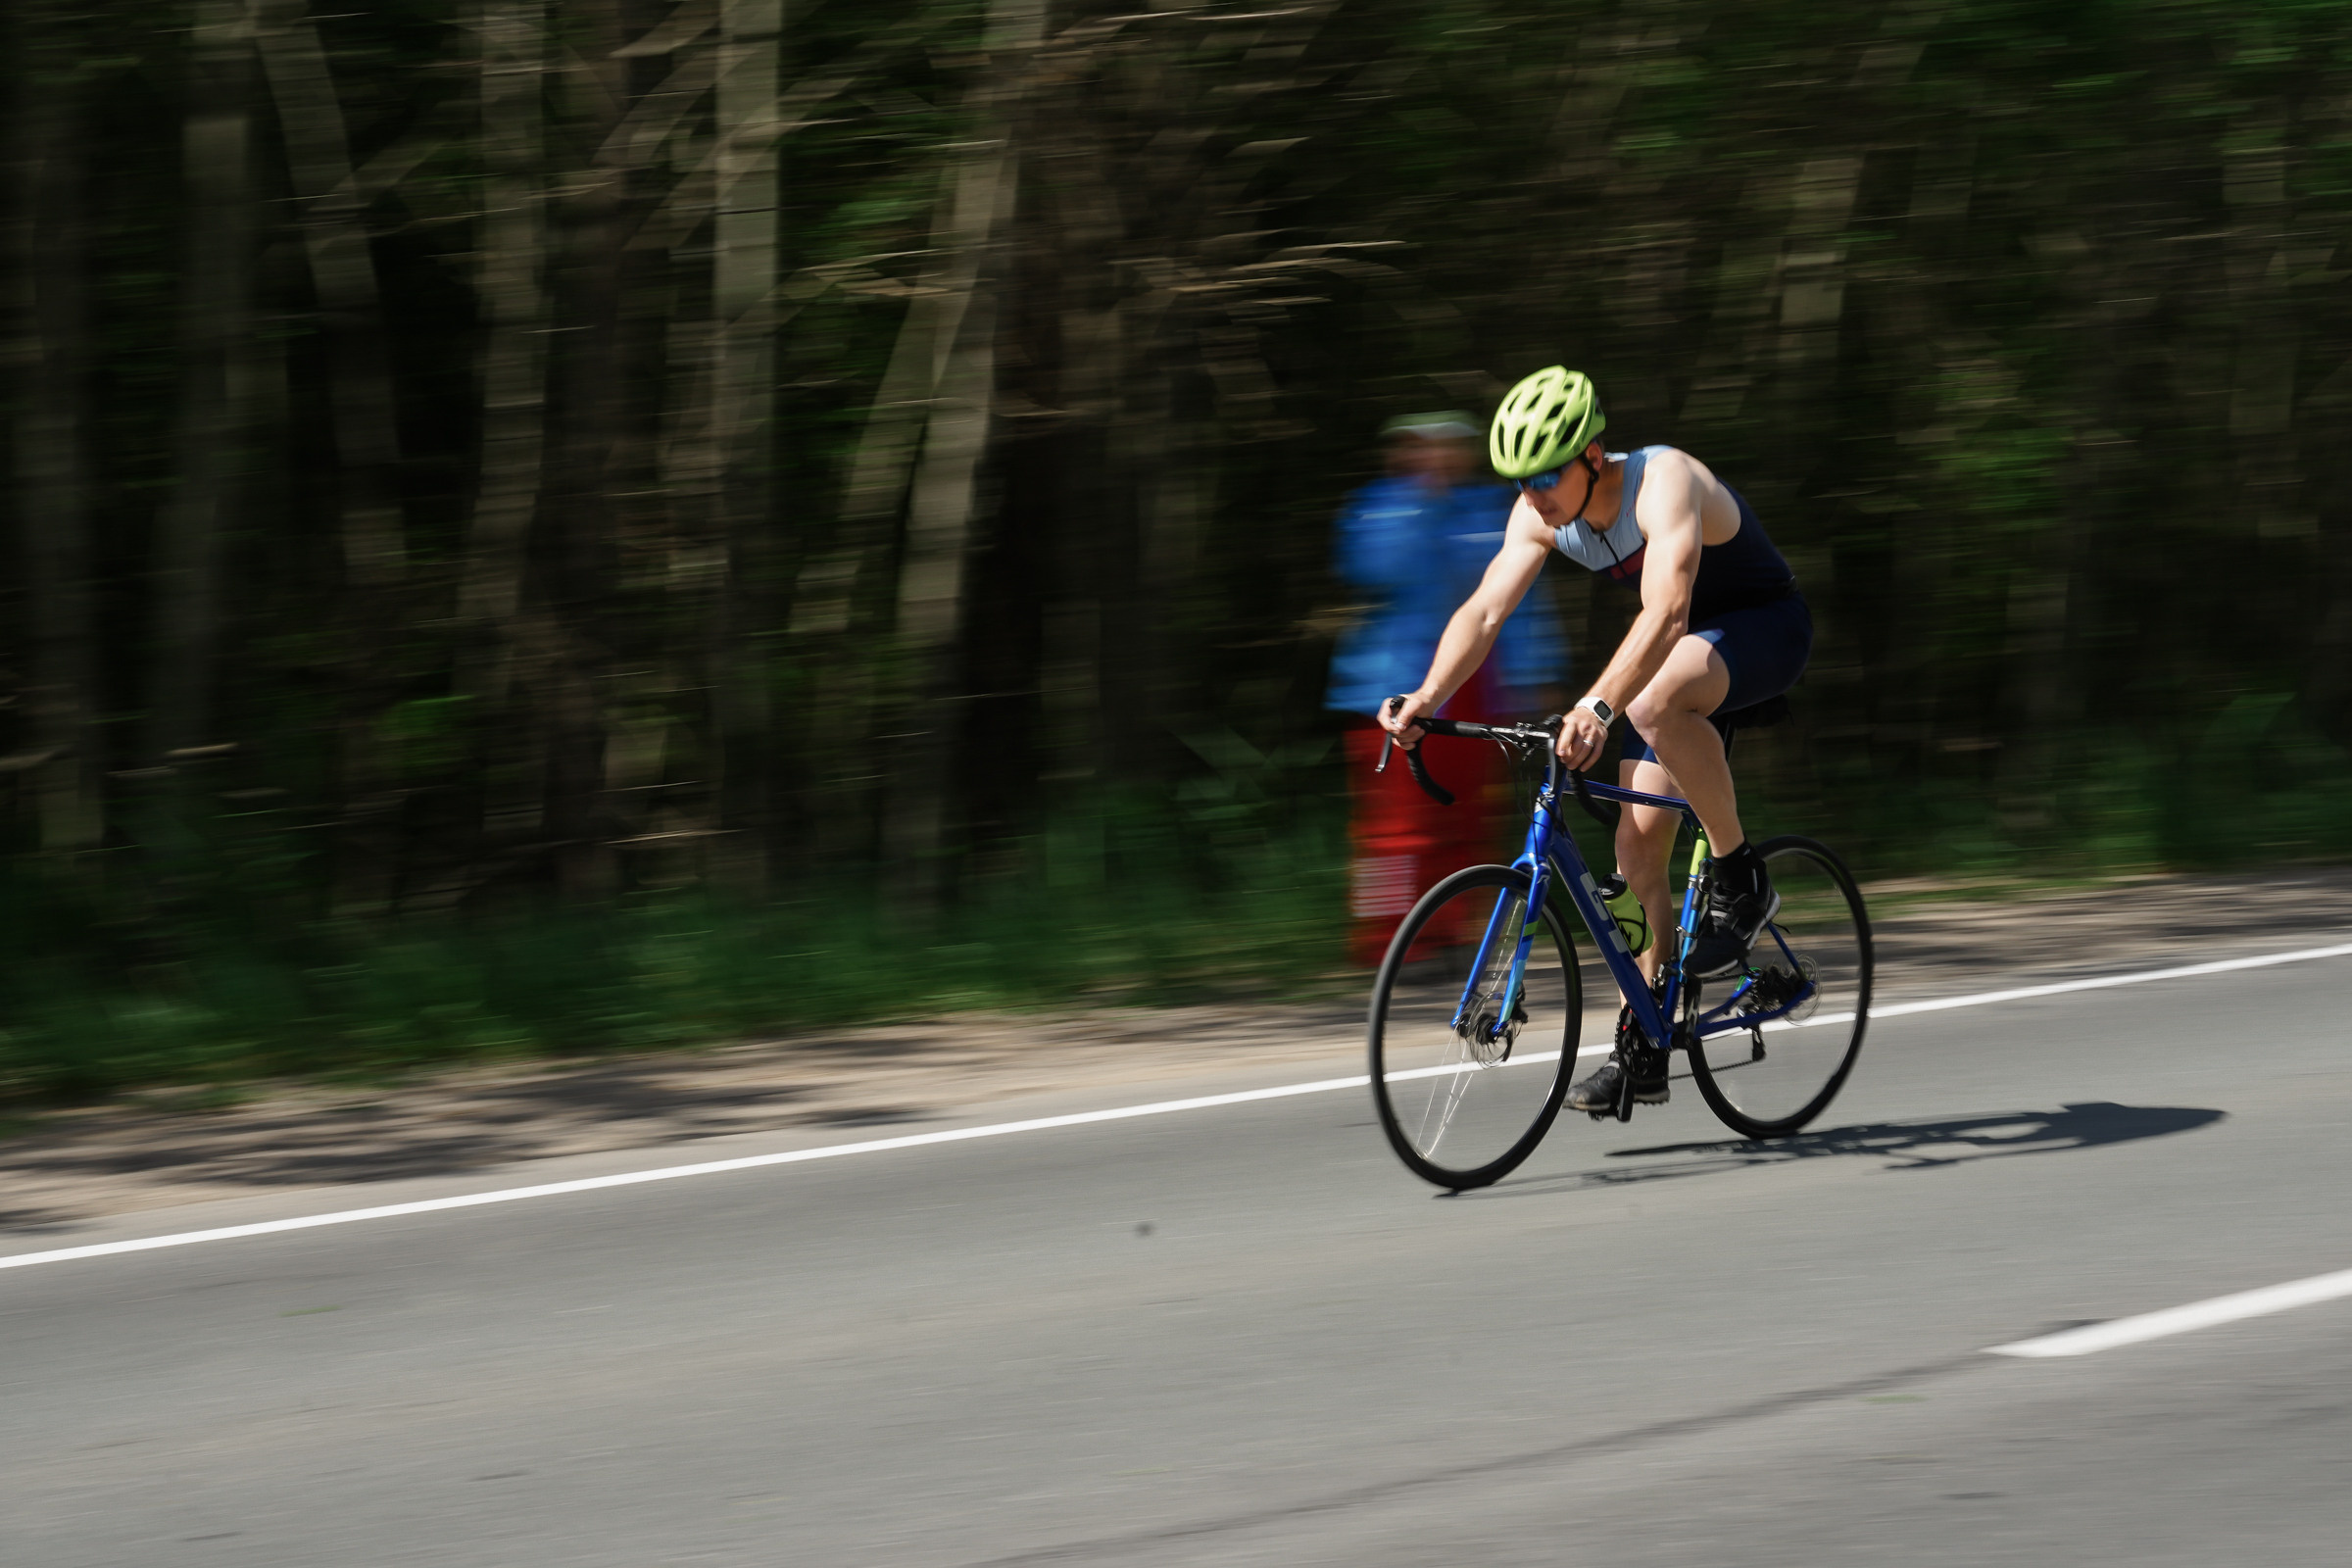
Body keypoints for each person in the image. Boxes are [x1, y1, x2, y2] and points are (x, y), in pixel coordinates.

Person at [1380, 368, 1811, 1110]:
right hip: (1680, 666)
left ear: (1593, 456)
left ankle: (1742, 877)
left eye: (1545, 475)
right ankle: (1642, 1042)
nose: (1534, 495)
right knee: (1635, 850)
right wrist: (1426, 696)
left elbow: (1669, 614)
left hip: (1764, 629)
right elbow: (1484, 612)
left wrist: (1598, 705)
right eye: (1519, 481)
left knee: (1647, 705)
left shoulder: (1663, 479)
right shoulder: (1538, 516)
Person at [1327, 411, 1567, 967]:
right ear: (1403, 453)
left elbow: (1517, 599)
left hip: (1476, 690)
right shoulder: (1379, 508)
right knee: (1396, 831)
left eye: (1450, 448)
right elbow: (1374, 568)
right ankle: (1388, 944)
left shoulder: (1488, 512)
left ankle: (1452, 936)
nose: (1438, 458)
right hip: (1392, 690)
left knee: (1465, 818)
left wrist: (1536, 674)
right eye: (1423, 448)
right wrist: (1424, 504)